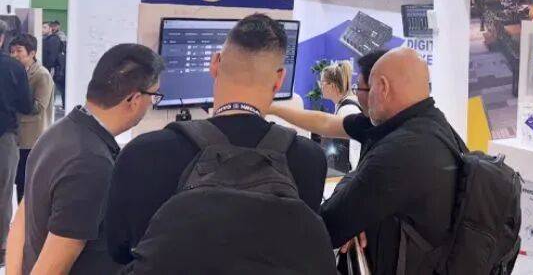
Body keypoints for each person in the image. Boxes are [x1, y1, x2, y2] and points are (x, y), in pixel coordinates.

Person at [105, 14, 327, 264]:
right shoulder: (310, 160)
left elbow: (119, 250)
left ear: (214, 64)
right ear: (279, 80)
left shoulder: (143, 153)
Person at [5, 43, 164, 275]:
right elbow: (51, 268)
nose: (151, 104)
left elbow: (22, 220)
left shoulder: (57, 131)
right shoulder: (91, 163)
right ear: (135, 99)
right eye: (154, 96)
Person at [321, 48, 461, 274]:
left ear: (383, 87)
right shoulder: (437, 128)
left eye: (368, 87)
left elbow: (330, 223)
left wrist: (353, 207)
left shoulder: (400, 150)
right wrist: (358, 215)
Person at [268, 49, 386, 163]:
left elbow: (352, 156)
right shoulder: (358, 117)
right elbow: (325, 122)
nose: (357, 95)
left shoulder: (348, 110)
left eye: (359, 89)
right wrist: (272, 107)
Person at [0, 20, 32, 263]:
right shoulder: (14, 68)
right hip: (5, 137)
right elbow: (26, 106)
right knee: (3, 193)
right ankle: (2, 246)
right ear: (2, 38)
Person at [8, 35, 54, 202]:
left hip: (32, 137)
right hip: (16, 136)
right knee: (16, 179)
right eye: (12, 51)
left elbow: (38, 107)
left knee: (26, 182)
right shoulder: (16, 72)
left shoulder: (41, 75)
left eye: (19, 51)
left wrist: (12, 100)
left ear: (32, 53)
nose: (14, 55)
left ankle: (26, 216)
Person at [319, 60, 362, 169]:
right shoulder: (343, 106)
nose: (320, 86)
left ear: (332, 85)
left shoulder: (347, 110)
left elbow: (353, 152)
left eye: (322, 82)